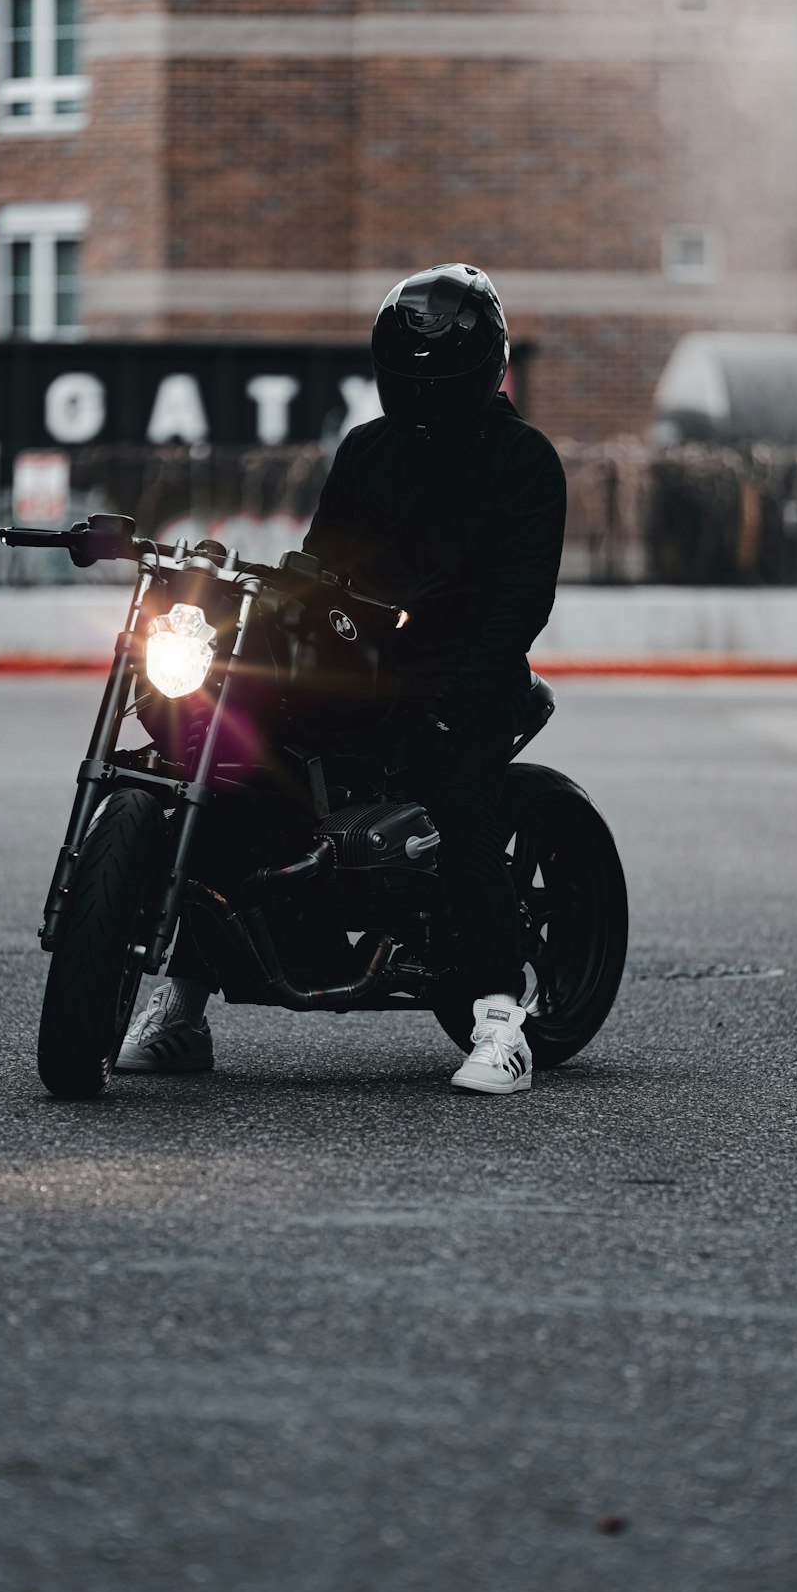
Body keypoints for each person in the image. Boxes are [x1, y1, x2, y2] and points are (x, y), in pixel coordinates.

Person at [118, 263, 567, 1093]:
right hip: (361, 669)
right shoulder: (368, 450)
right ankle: (183, 1000)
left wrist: (455, 706)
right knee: (228, 761)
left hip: (466, 674)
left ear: (487, 368)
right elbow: (317, 569)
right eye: (409, 373)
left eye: (441, 373)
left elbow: (520, 607)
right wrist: (233, 607)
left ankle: (503, 1020)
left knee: (460, 798)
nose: (423, 390)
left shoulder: (525, 462)